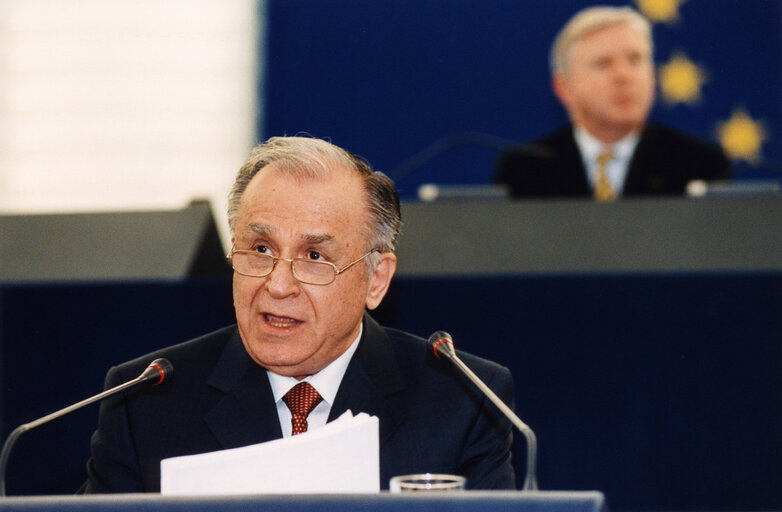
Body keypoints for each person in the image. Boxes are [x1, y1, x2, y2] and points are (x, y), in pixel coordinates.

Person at [81, 136, 516, 492]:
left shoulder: (462, 401)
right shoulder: (146, 402)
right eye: (261, 249)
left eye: (314, 256)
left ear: (376, 280)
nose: (278, 284)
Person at [494, 6, 731, 200]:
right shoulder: (525, 170)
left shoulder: (699, 164)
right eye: (603, 64)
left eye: (635, 60)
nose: (624, 76)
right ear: (564, 88)